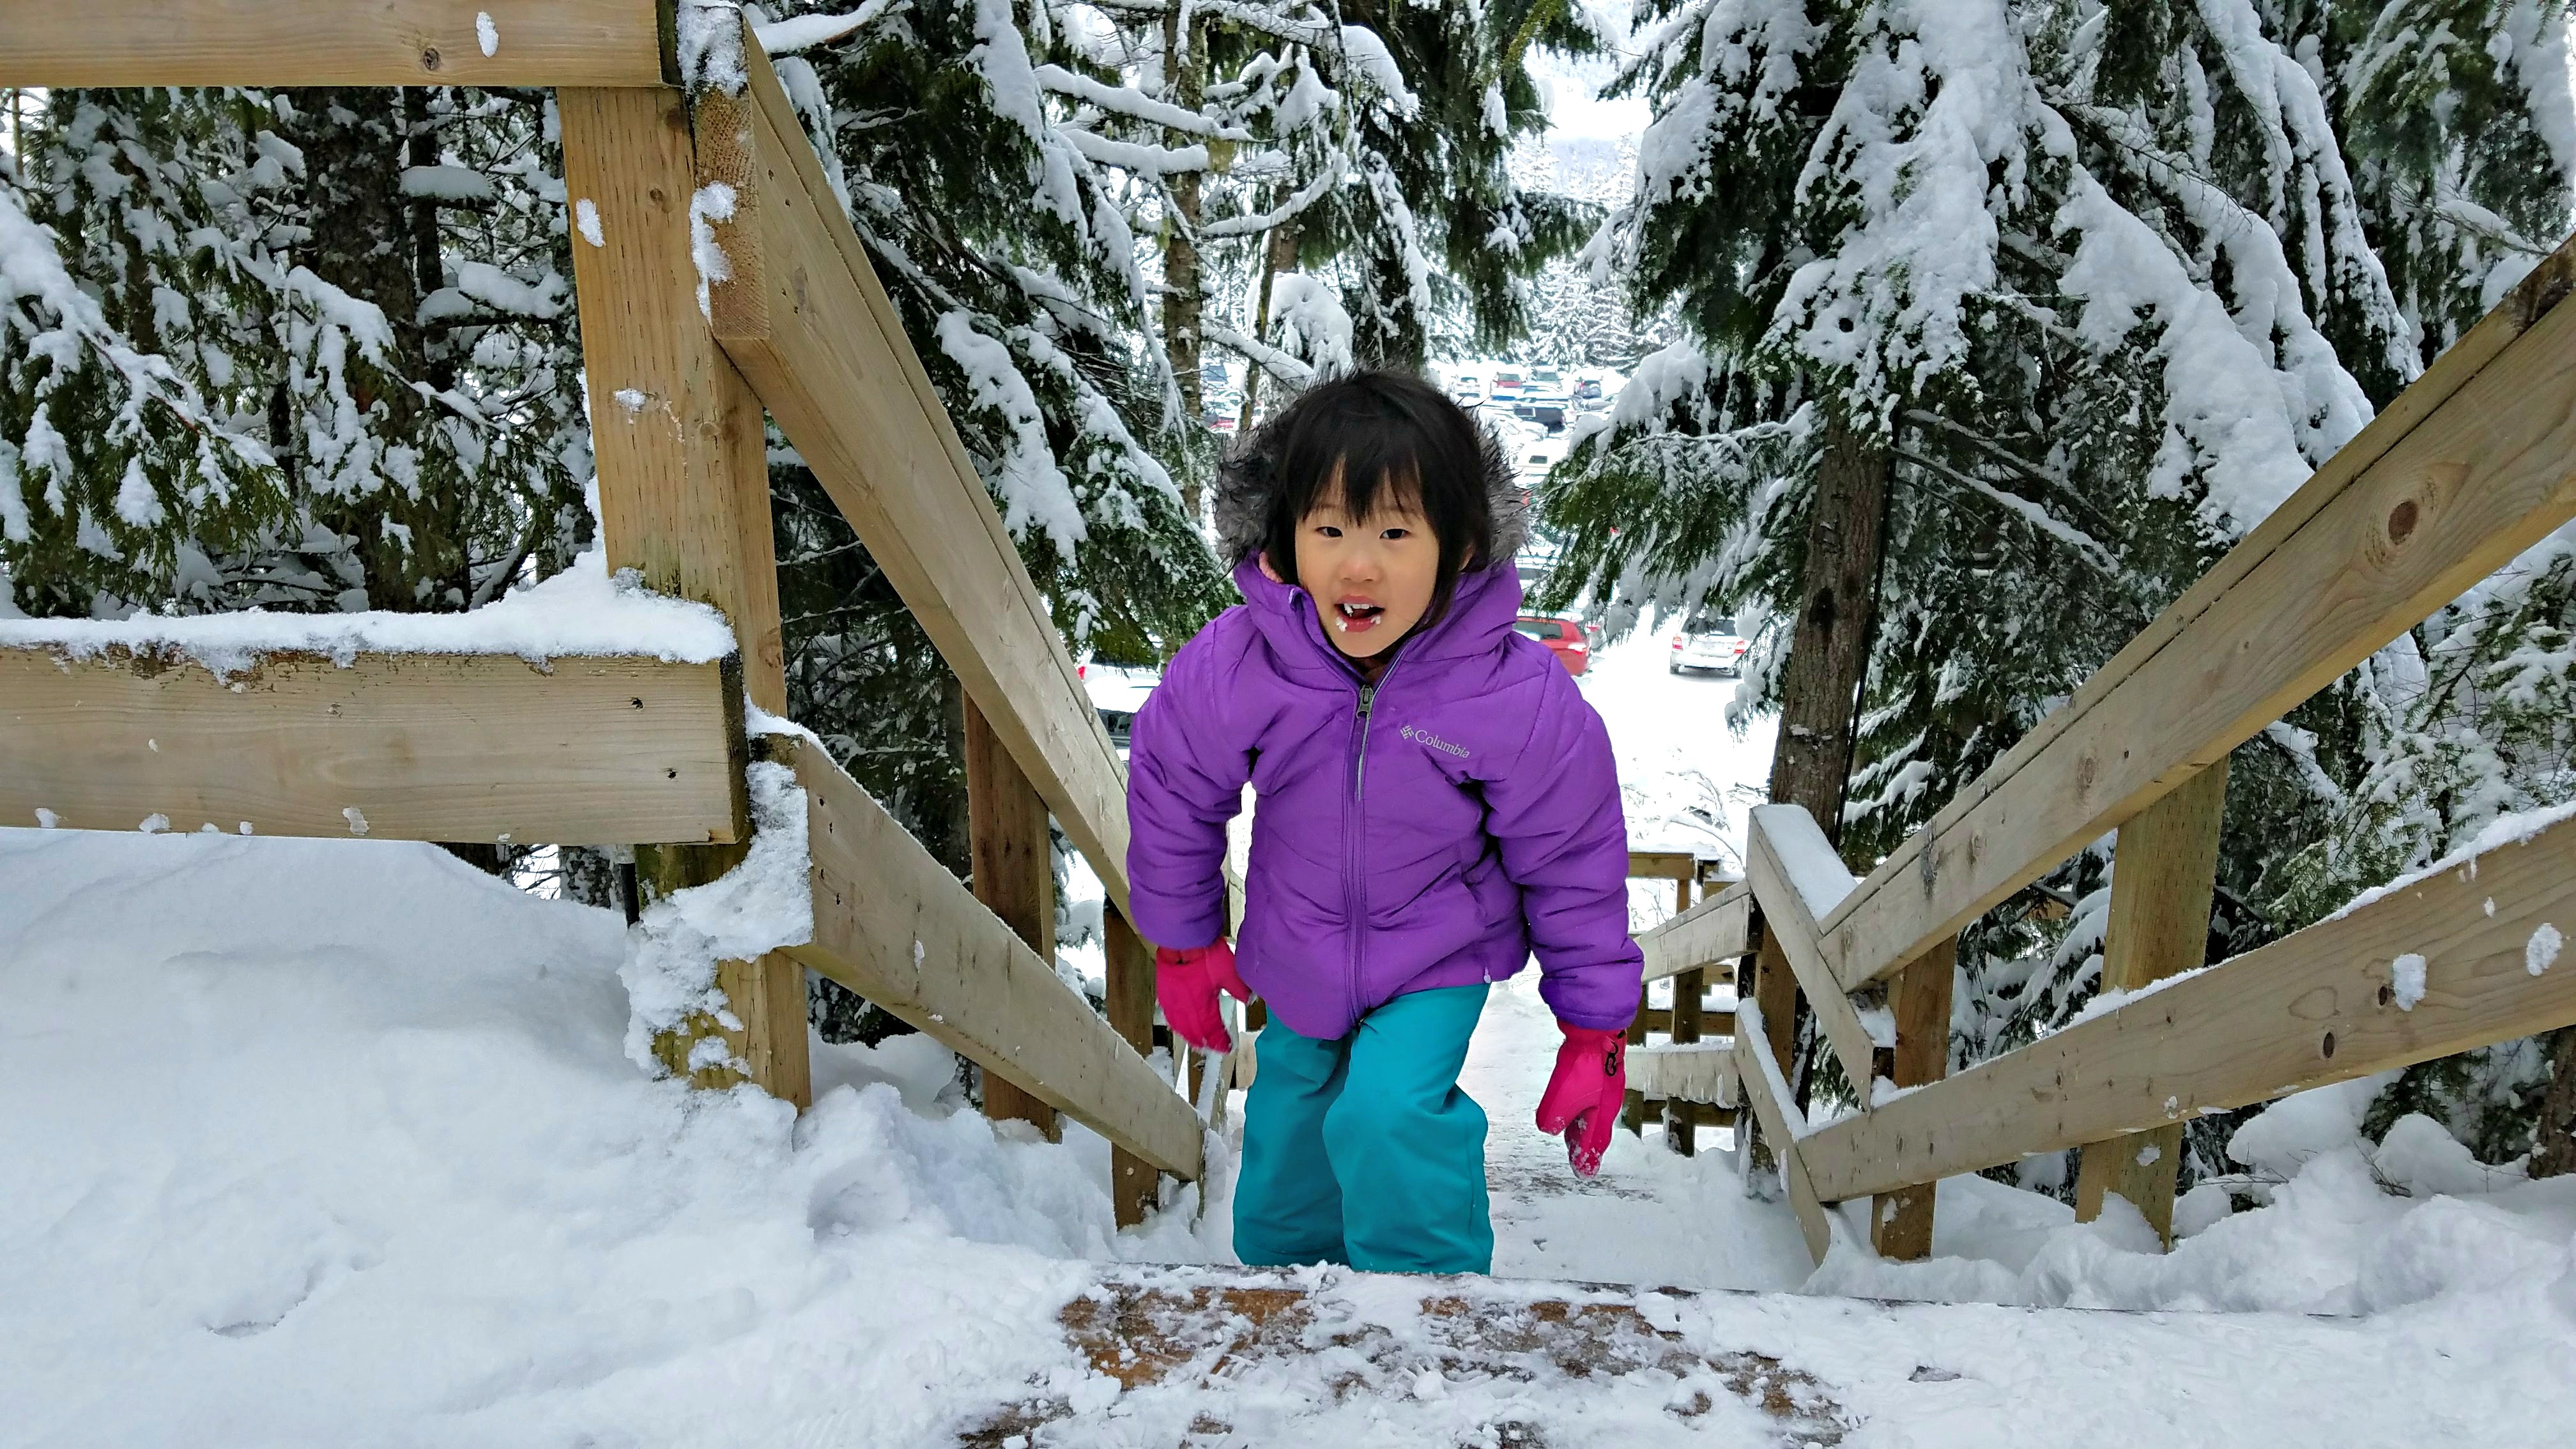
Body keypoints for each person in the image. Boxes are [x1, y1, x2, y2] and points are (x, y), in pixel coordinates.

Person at [1124, 368, 1643, 1276]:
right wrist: (1181, 938)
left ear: (1460, 544)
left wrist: (1594, 1029)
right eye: (1328, 530)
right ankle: (1291, 1297)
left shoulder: (1508, 694)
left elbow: (1572, 856)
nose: (1357, 565)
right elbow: (1175, 780)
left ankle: (1428, 1305)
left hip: (1436, 955)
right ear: (1284, 539)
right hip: (1294, 949)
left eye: (1395, 533)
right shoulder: (1246, 662)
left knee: (1390, 1113)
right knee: (1289, 1132)